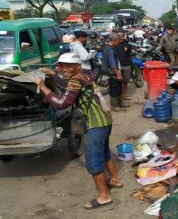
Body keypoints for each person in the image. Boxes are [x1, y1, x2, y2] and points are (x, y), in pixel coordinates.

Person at [32, 53, 123, 210]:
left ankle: (104, 196)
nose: (64, 69)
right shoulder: (85, 75)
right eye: (61, 66)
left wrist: (43, 87)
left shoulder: (75, 79)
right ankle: (115, 179)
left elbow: (61, 104)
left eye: (69, 66)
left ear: (77, 66)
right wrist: (53, 74)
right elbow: (69, 85)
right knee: (104, 152)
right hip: (105, 120)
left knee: (94, 161)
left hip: (95, 123)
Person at [102, 33, 129, 111]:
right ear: (114, 40)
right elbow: (112, 64)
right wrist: (118, 74)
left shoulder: (109, 47)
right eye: (118, 40)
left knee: (118, 87)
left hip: (113, 72)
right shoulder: (109, 49)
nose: (119, 42)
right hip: (112, 73)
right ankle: (114, 106)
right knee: (114, 89)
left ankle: (120, 103)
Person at [115, 31, 132, 101]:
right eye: (119, 36)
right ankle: (118, 96)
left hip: (126, 65)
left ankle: (124, 95)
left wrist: (130, 62)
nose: (121, 38)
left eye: (122, 36)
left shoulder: (127, 44)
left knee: (125, 82)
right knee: (117, 82)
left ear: (124, 36)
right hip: (117, 66)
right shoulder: (115, 44)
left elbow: (130, 54)